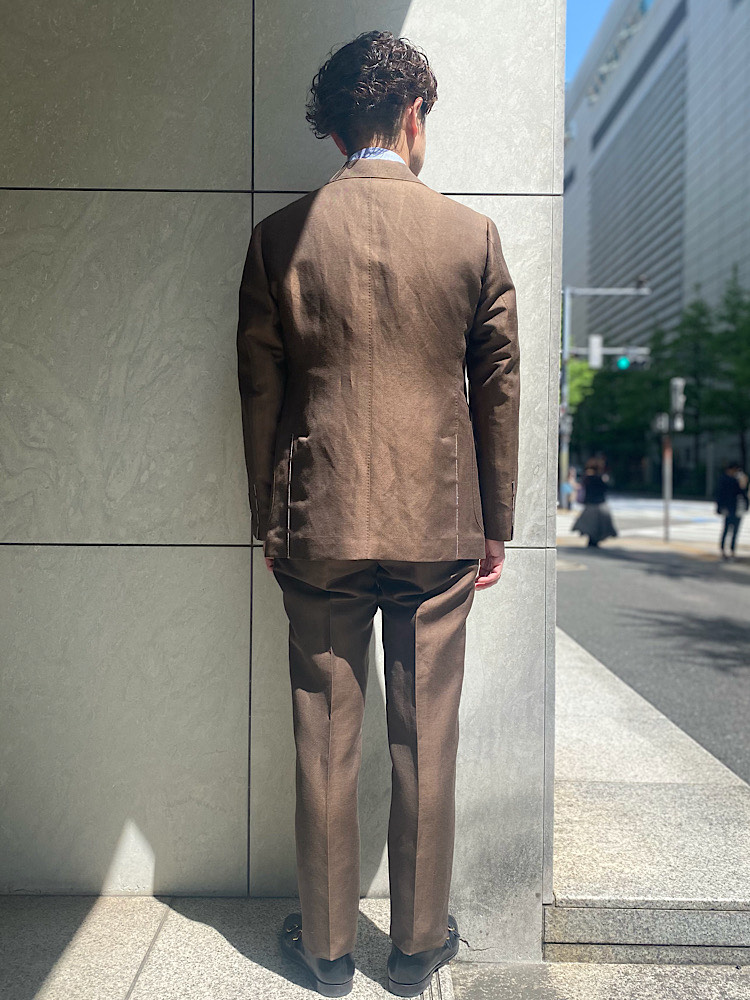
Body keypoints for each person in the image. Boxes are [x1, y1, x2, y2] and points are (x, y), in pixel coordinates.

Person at [236, 30, 520, 998]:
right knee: (425, 736)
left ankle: (324, 953)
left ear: (336, 130)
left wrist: (269, 517)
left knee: (324, 736)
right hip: (437, 523)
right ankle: (416, 947)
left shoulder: (280, 238)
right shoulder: (471, 237)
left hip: (317, 522)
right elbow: (498, 389)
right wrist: (496, 520)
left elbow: (259, 389)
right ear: (412, 114)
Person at [571, 459, 617, 547]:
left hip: (591, 503)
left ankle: (592, 540)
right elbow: (604, 488)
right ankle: (594, 540)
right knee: (598, 525)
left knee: (591, 525)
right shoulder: (598, 478)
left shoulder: (587, 477)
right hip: (599, 503)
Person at [715, 460, 749, 561]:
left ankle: (727, 550)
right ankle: (729, 550)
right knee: (731, 530)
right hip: (733, 508)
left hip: (732, 508)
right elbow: (742, 493)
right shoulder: (731, 480)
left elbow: (720, 494)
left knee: (729, 529)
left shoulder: (726, 479)